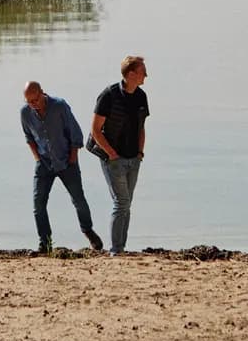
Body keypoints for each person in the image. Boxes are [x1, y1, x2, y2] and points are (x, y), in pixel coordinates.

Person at [19, 81, 103, 254]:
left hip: (66, 161)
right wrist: (37, 159)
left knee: (78, 199)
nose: (33, 104)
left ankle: (88, 230)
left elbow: (75, 133)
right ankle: (45, 243)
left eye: (35, 100)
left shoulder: (59, 106)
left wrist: (73, 158)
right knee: (38, 204)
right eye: (29, 101)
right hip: (43, 163)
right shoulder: (25, 113)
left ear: (42, 93)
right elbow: (29, 138)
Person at [89, 54, 151, 254]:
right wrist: (111, 154)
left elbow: (141, 127)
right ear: (131, 74)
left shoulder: (141, 96)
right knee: (121, 202)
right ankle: (116, 250)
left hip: (134, 158)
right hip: (113, 159)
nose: (146, 75)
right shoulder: (109, 95)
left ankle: (121, 247)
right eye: (143, 72)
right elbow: (95, 130)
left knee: (127, 204)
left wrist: (140, 152)